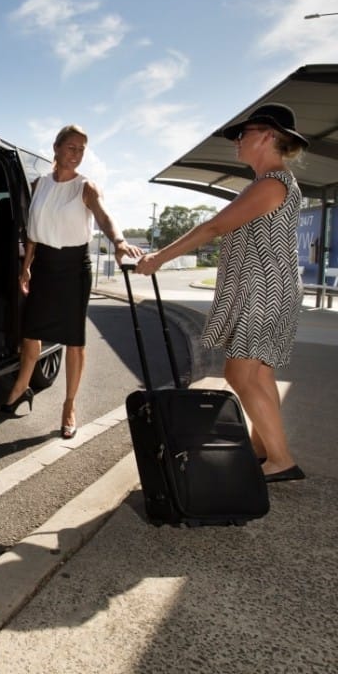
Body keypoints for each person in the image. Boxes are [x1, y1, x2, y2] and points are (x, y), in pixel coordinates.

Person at [134, 103, 307, 483]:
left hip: (263, 290)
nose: (237, 142)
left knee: (240, 374)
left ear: (267, 135)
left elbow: (213, 228)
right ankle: (266, 451)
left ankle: (280, 459)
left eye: (243, 134)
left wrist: (159, 258)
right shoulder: (274, 181)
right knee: (259, 376)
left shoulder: (272, 183)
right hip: (269, 288)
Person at [1, 124, 143, 438]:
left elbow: (104, 216)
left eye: (81, 149)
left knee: (74, 340)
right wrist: (26, 267)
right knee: (31, 330)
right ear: (56, 148)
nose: (77, 154)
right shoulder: (40, 185)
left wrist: (118, 242)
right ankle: (23, 385)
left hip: (73, 268)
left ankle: (69, 405)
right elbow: (33, 232)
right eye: (72, 147)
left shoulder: (86, 186)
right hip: (44, 266)